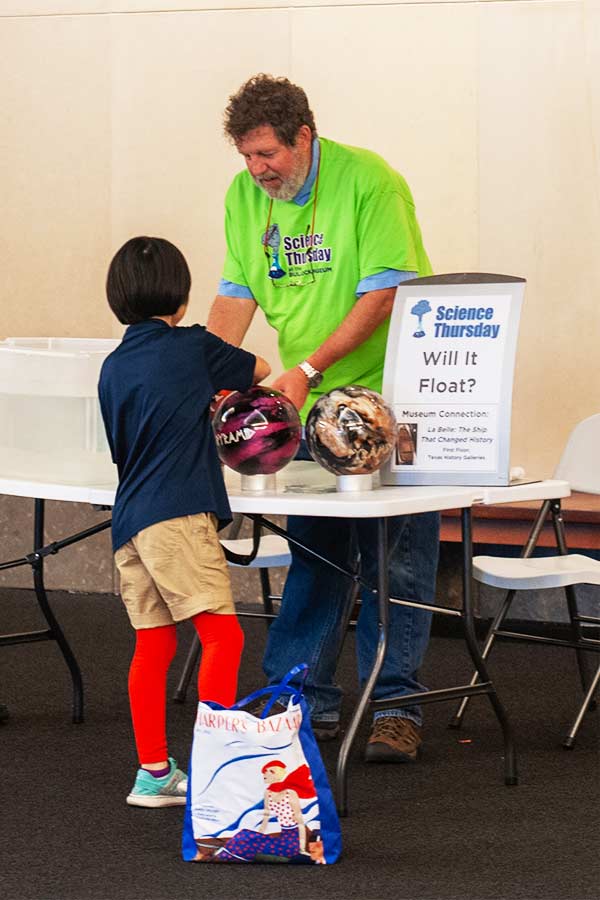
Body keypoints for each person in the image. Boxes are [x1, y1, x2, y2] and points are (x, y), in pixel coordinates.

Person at [207, 74, 440, 763]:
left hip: (386, 401)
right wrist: (213, 375)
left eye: (267, 155)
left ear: (304, 136)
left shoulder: (371, 182)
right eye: (246, 157)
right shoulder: (244, 197)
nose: (256, 170)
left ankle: (396, 706)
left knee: (396, 560)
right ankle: (300, 697)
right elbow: (235, 292)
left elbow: (386, 293)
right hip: (307, 410)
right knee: (315, 553)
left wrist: (305, 369)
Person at [98, 236, 270, 806]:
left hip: (130, 519)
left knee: (153, 644)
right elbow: (262, 369)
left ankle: (154, 773)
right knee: (224, 635)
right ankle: (216, 769)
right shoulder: (194, 346)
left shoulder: (112, 366)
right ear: (181, 295)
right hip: (177, 514)